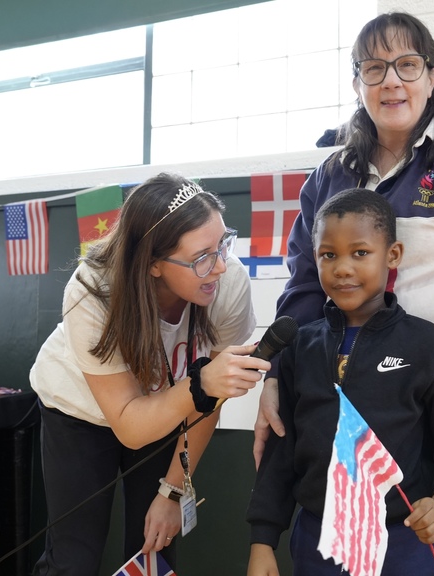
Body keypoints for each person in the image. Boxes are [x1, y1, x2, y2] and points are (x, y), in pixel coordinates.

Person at [253, 12, 434, 576]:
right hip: (347, 383)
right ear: (357, 83)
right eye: (374, 68)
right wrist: (275, 376)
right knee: (337, 541)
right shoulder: (330, 177)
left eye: (407, 65)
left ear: (432, 76)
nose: (392, 80)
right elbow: (300, 287)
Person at [30, 172, 267, 575]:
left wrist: (172, 492)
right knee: (74, 558)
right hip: (79, 412)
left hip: (165, 406)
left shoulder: (226, 283)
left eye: (222, 243)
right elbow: (132, 426)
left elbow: (210, 402)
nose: (221, 267)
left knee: (154, 551)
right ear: (154, 264)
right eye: (202, 257)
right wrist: (202, 384)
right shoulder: (93, 289)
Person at [246, 188, 434, 576]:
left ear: (392, 255)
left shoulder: (431, 347)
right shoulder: (299, 347)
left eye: (360, 253)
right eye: (329, 255)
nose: (343, 268)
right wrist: (262, 542)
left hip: (403, 541)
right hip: (316, 542)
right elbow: (280, 453)